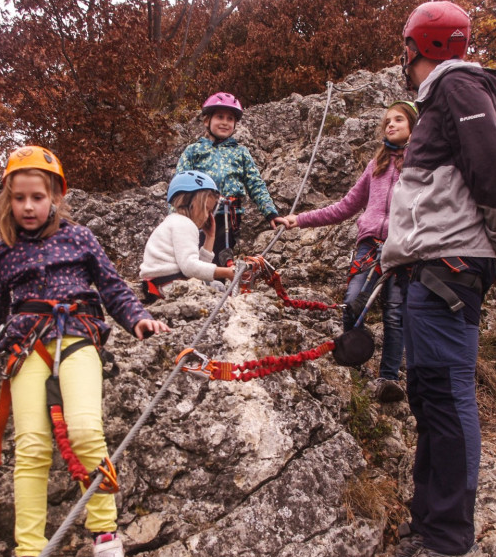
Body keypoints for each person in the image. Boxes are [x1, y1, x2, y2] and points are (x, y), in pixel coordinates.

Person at [0, 145, 171, 557]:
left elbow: (113, 287)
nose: (28, 207)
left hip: (78, 336)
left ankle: (105, 537)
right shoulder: (2, 248)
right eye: (18, 198)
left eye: (37, 197)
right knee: (33, 447)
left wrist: (138, 319)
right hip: (25, 346)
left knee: (84, 430)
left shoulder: (81, 238)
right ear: (7, 200)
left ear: (56, 195)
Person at [372, 1, 496, 557]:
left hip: (448, 270)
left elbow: (492, 165)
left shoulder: (458, 86)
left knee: (445, 394)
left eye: (405, 47)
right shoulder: (445, 94)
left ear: (419, 47)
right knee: (430, 394)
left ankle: (451, 538)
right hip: (432, 268)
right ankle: (431, 522)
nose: (402, 58)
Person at [278, 101, 418, 403]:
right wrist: (298, 219)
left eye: (399, 120)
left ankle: (388, 378)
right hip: (369, 246)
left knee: (395, 313)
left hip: (402, 248)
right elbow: (344, 207)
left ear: (413, 128)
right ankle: (353, 357)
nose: (390, 125)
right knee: (353, 301)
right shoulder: (375, 166)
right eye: (387, 121)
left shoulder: (420, 167)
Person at [176, 92, 285, 263]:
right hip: (198, 214)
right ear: (207, 121)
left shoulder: (240, 153)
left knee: (222, 256)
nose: (225, 122)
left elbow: (255, 183)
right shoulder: (194, 151)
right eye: (220, 117)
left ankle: (219, 286)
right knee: (195, 256)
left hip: (228, 215)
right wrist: (175, 218)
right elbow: (180, 186)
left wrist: (270, 213)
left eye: (230, 119)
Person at [139, 170, 236, 302]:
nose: (208, 216)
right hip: (171, 285)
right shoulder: (184, 224)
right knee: (218, 289)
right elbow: (190, 267)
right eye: (207, 209)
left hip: (161, 284)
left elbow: (198, 268)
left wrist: (210, 237)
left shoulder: (175, 221)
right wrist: (227, 272)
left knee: (217, 286)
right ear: (193, 202)